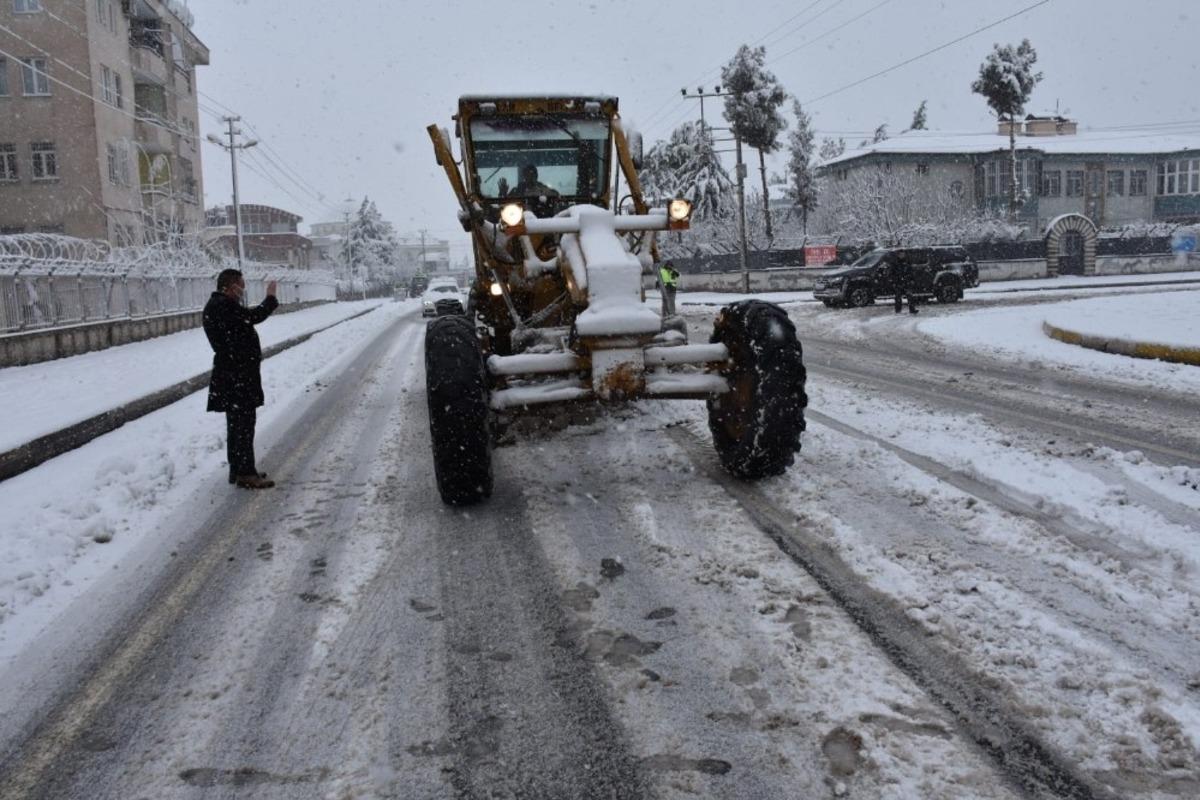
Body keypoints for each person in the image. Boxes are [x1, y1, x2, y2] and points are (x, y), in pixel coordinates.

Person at [203, 269, 279, 489]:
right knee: (243, 426)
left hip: (234, 374)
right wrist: (270, 298)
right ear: (229, 286)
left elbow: (245, 321)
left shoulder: (220, 305)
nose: (243, 290)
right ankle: (245, 473)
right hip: (236, 376)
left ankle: (238, 469)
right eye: (241, 285)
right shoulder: (222, 306)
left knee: (237, 425)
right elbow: (252, 317)